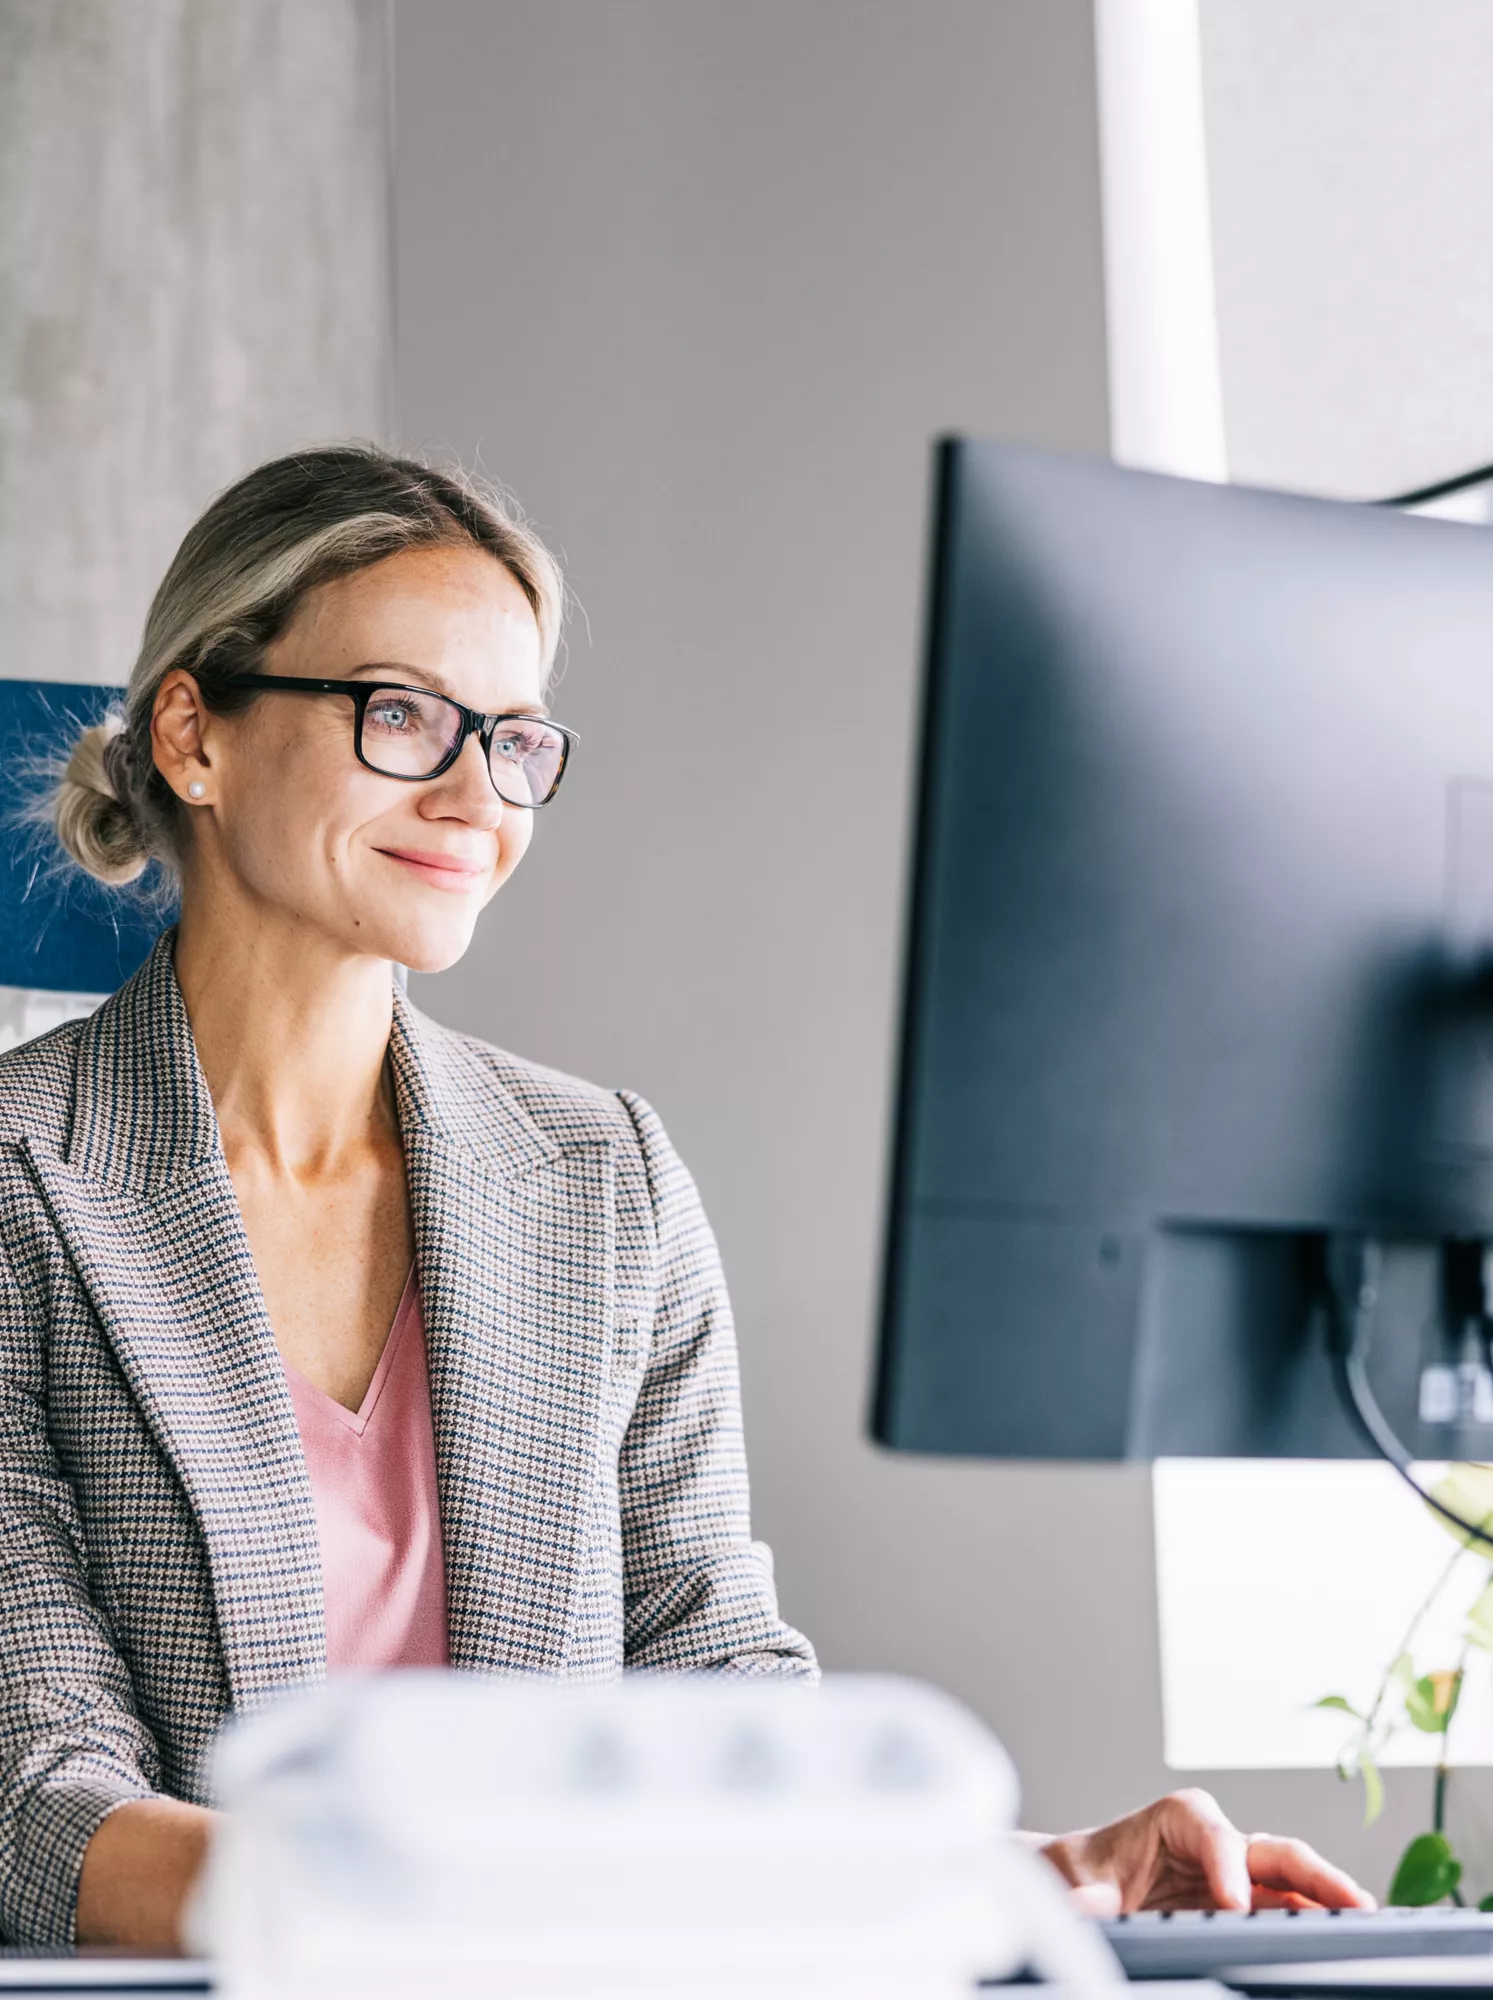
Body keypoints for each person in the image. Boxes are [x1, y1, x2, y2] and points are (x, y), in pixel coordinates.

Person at [0, 446, 1372, 1951]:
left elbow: (710, 1688)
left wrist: (1034, 1872)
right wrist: (445, 1911)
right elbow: (38, 1790)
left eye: (515, 740)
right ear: (196, 735)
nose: (478, 794)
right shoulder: (22, 1177)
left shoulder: (603, 1180)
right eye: (402, 715)